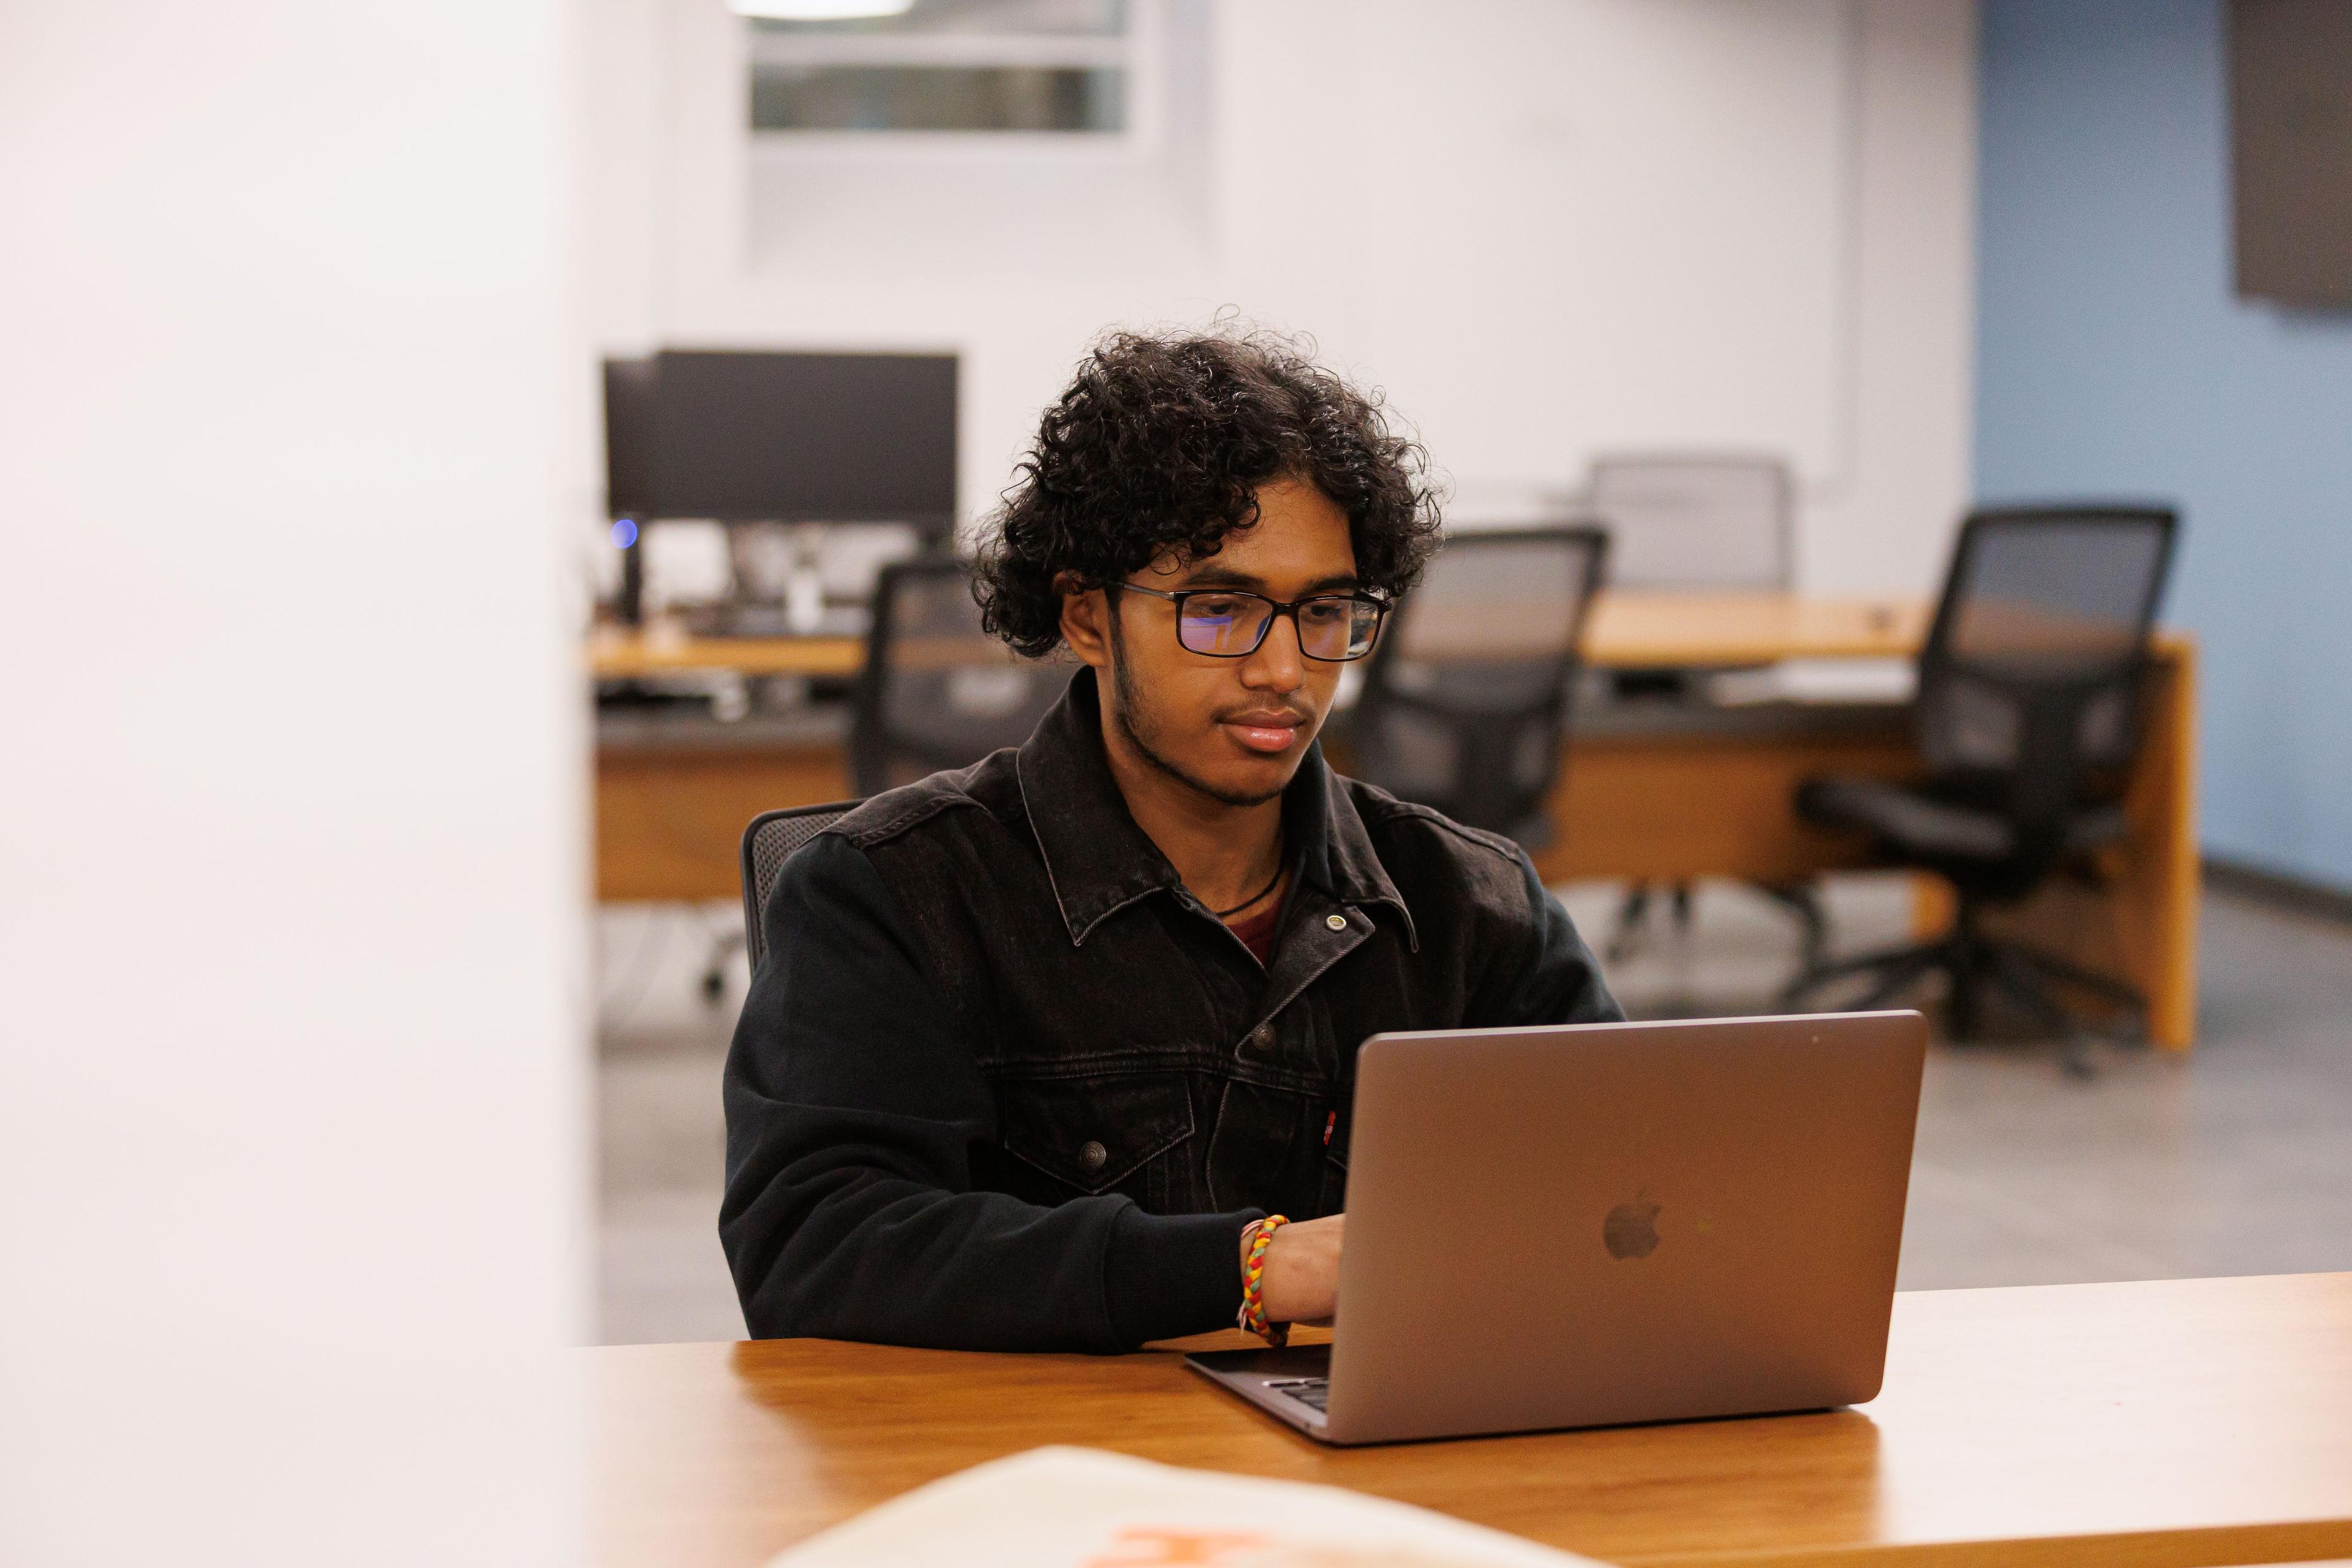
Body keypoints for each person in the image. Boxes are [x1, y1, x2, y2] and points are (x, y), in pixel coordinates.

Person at [721, 328, 1620, 1352]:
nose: (1286, 668)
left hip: (1389, 1473)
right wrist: (1247, 1268)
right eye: (1222, 609)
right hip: (1048, 1480)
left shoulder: (1472, 904)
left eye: (1326, 610)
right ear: (1089, 618)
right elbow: (815, 1252)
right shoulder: (894, 893)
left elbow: (1639, 1200)